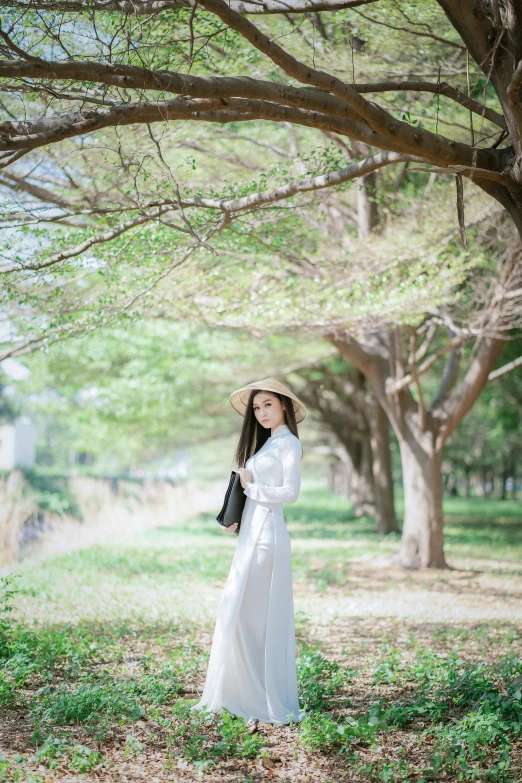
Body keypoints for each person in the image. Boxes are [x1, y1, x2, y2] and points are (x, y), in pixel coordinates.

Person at [192, 377, 306, 726]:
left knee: (251, 615)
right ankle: (241, 692)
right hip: (251, 534)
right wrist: (237, 512)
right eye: (257, 408)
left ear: (284, 404)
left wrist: (251, 487)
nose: (261, 413)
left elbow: (291, 492)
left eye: (268, 404)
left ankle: (261, 696)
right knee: (240, 614)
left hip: (268, 537)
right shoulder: (268, 445)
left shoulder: (288, 445)